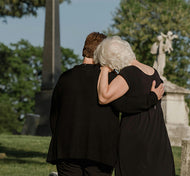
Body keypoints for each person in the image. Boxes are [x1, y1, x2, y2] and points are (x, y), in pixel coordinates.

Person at [46, 32, 165, 176]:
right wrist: (151, 98)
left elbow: (54, 115)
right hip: (100, 152)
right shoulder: (110, 78)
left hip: (66, 149)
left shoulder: (65, 77)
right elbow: (124, 105)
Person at [94, 36, 175, 176]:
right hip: (157, 138)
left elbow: (103, 97)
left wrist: (104, 70)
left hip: (136, 138)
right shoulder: (153, 72)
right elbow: (127, 103)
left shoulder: (129, 73)